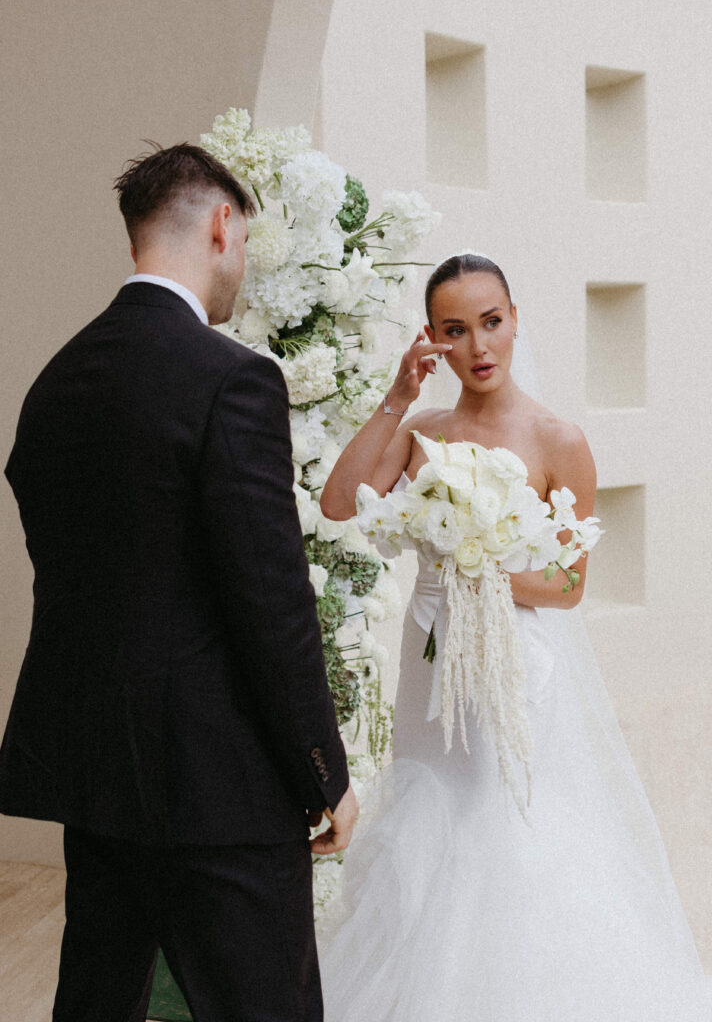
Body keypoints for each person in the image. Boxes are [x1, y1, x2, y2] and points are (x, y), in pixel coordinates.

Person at [0, 142, 357, 1022]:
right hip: (221, 787)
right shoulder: (232, 379)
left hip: (96, 776)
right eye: (245, 241)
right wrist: (323, 770)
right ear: (222, 225)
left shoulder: (55, 383)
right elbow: (271, 604)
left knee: (98, 1003)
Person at [317, 253, 712, 1020]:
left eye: (491, 322)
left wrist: (480, 569)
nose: (477, 346)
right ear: (433, 339)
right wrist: (398, 398)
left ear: (515, 319)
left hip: (510, 662)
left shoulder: (558, 440)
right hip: (429, 656)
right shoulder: (423, 431)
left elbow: (569, 584)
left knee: (495, 819)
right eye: (455, 330)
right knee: (429, 806)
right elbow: (338, 502)